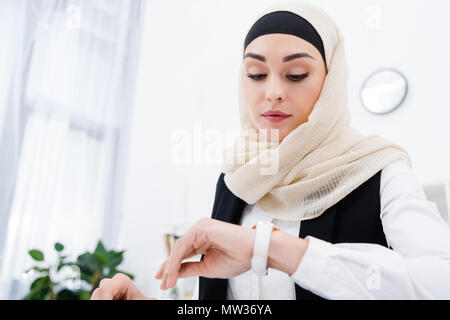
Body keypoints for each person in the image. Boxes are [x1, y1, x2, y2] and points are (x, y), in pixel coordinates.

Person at [91, 0, 450, 300]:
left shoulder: (379, 171)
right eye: (256, 74)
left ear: (331, 81)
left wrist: (267, 248)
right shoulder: (236, 179)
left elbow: (440, 280)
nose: (273, 91)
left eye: (295, 74)